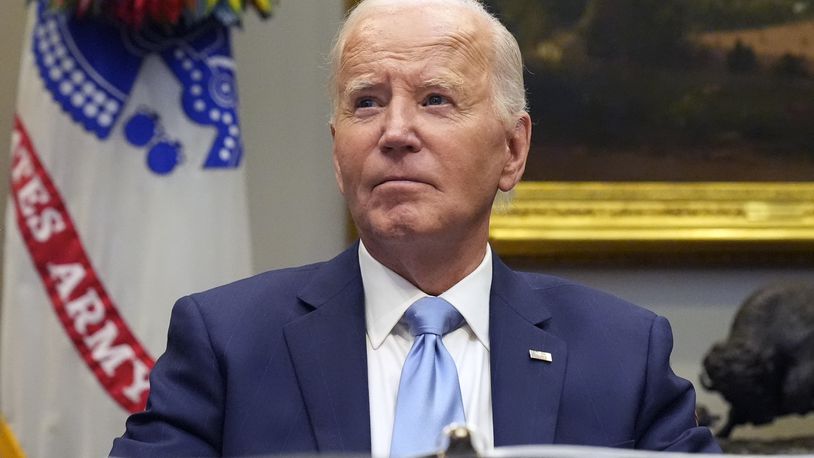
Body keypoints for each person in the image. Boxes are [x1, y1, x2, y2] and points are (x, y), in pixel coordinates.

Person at [110, 0, 721, 456]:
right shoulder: (228, 344)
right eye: (367, 102)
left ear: (512, 150)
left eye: (435, 99)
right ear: (336, 151)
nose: (394, 131)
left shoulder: (622, 355)